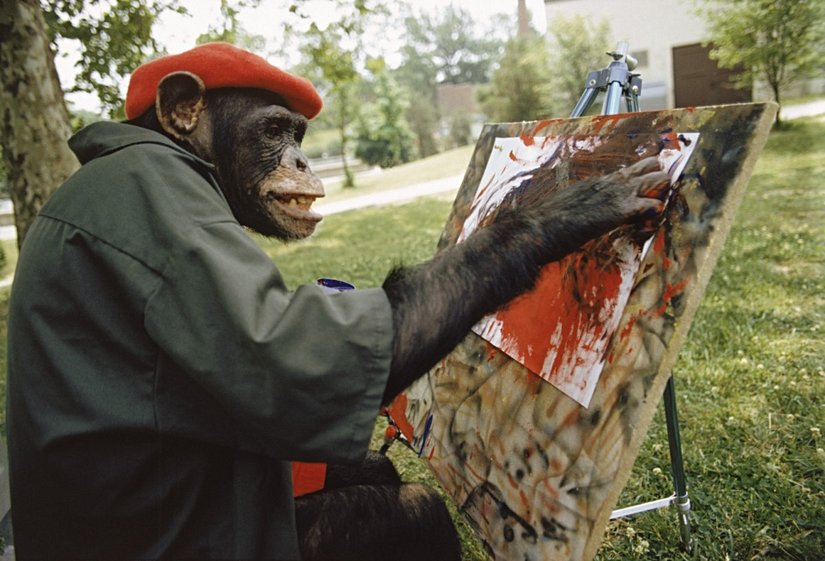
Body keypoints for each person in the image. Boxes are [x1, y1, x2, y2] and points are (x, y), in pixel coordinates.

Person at [5, 42, 669, 560]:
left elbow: (222, 352)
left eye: (296, 139)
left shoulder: (122, 182)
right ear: (184, 109)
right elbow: (289, 361)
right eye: (274, 133)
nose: (295, 162)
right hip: (154, 536)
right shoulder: (145, 179)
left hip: (143, 501)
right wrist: (528, 231)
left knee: (365, 464)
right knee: (414, 514)